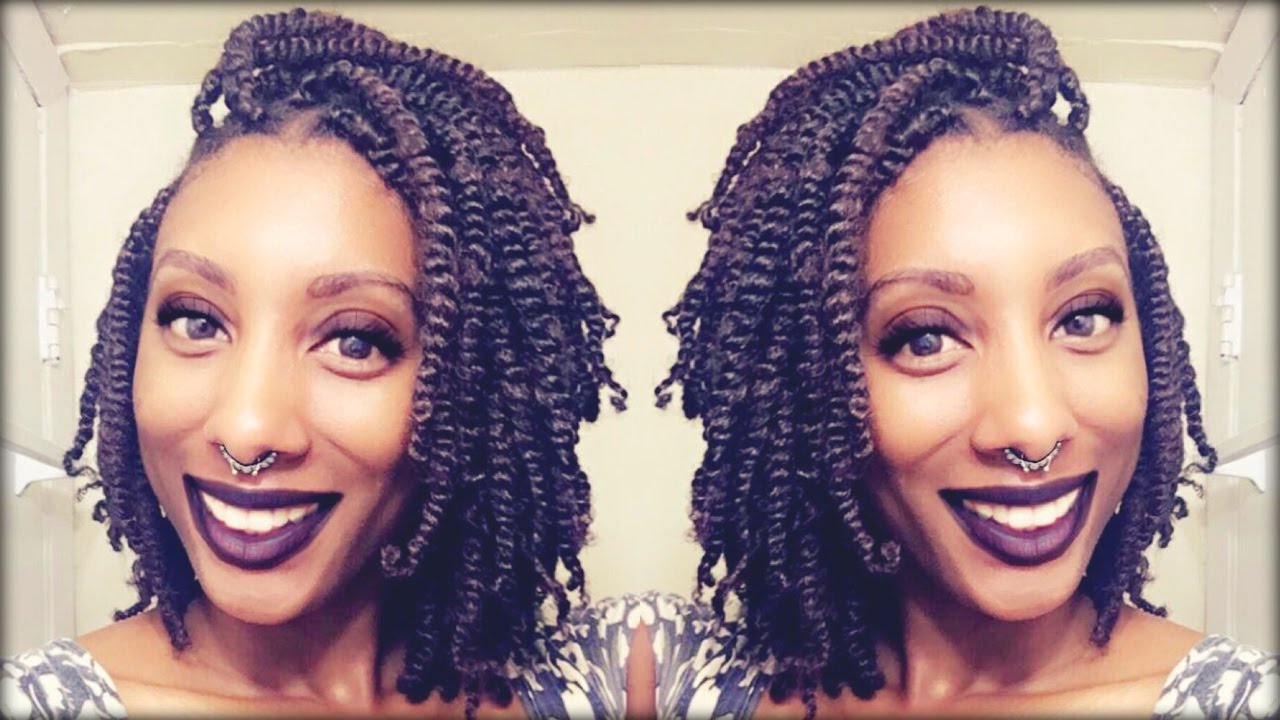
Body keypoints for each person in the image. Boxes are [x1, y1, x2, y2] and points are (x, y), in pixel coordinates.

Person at [0, 8, 634, 719]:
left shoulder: (573, 694)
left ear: (471, 392)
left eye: (354, 341)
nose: (247, 430)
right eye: (197, 321)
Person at [649, 5, 1278, 718]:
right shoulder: (702, 690)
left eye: (1083, 318)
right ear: (808, 390)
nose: (1034, 427)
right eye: (926, 338)